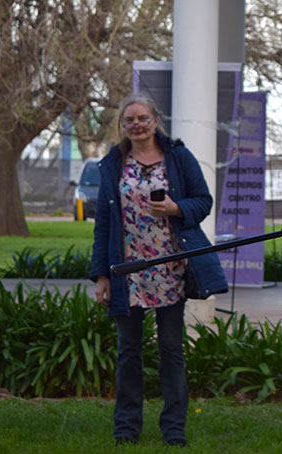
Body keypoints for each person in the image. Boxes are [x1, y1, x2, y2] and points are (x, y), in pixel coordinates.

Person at [89, 92, 228, 447]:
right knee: (128, 352)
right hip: (127, 271)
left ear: (155, 121)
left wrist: (176, 209)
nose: (137, 125)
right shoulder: (113, 163)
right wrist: (102, 274)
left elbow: (203, 200)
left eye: (143, 118)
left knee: (171, 350)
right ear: (122, 126)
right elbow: (103, 221)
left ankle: (174, 431)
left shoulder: (178, 157)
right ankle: (126, 429)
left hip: (170, 267)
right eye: (129, 120)